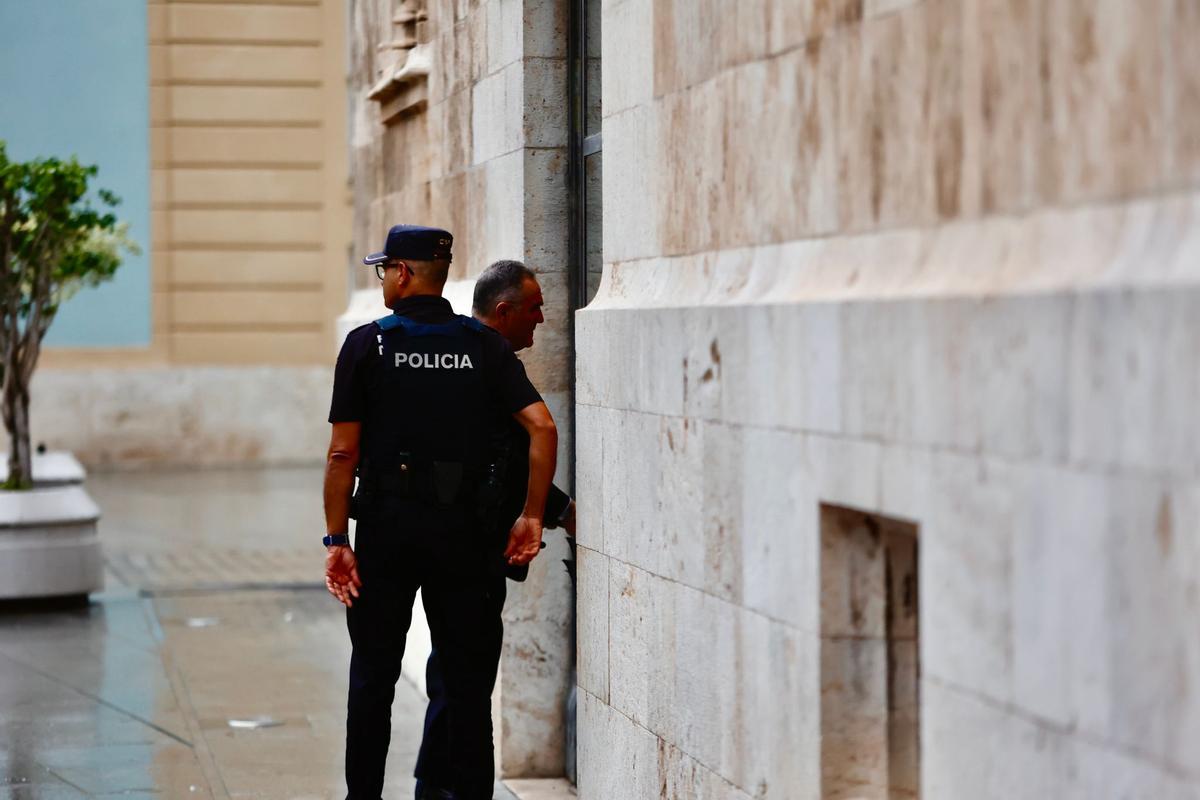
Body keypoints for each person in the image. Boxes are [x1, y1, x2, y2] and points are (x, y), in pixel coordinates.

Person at [323, 226, 558, 800]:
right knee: (467, 685)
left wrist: (337, 542)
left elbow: (341, 454)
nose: (382, 280)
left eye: (384, 270)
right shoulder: (483, 346)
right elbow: (541, 427)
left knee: (373, 679)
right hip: (466, 537)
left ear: (403, 273)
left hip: (388, 532)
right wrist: (530, 515)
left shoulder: (367, 344)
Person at [413, 260, 576, 800]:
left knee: (452, 672)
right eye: (534, 309)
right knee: (469, 676)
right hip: (472, 550)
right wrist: (545, 513)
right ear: (502, 312)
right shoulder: (490, 358)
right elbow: (512, 451)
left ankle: (435, 786)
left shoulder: (453, 354)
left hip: (439, 542)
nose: (543, 320)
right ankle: (458, 790)